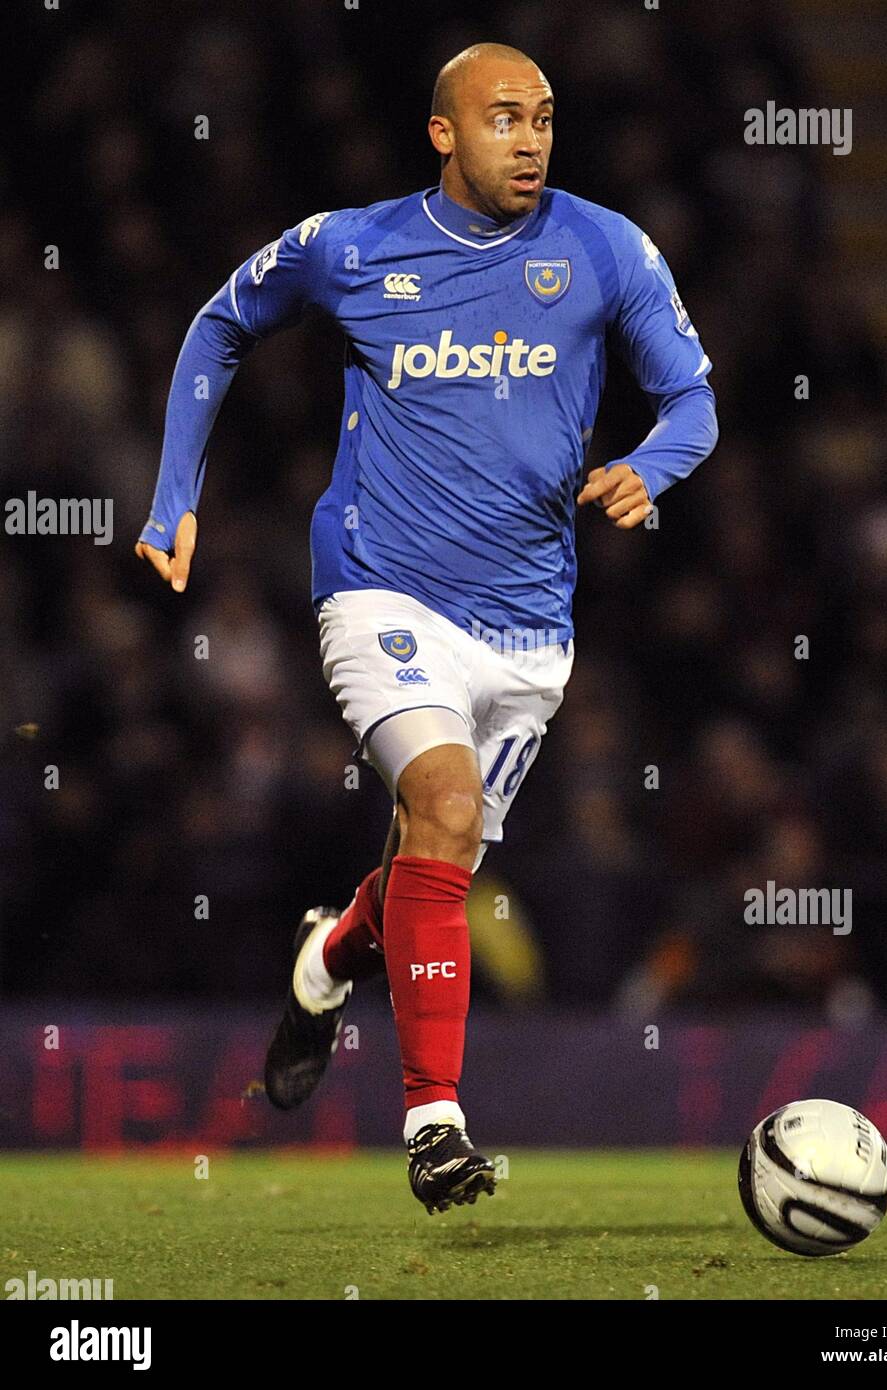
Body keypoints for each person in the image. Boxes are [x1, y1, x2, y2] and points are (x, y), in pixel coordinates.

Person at [135, 42, 718, 1213]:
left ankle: (328, 955)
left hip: (531, 628)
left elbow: (692, 399)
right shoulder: (352, 247)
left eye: (545, 117)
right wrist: (171, 497)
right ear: (444, 133)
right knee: (444, 809)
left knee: (432, 860)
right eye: (505, 117)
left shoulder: (606, 248)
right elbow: (219, 323)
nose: (532, 138)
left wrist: (649, 468)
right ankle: (435, 1120)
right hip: (379, 587)